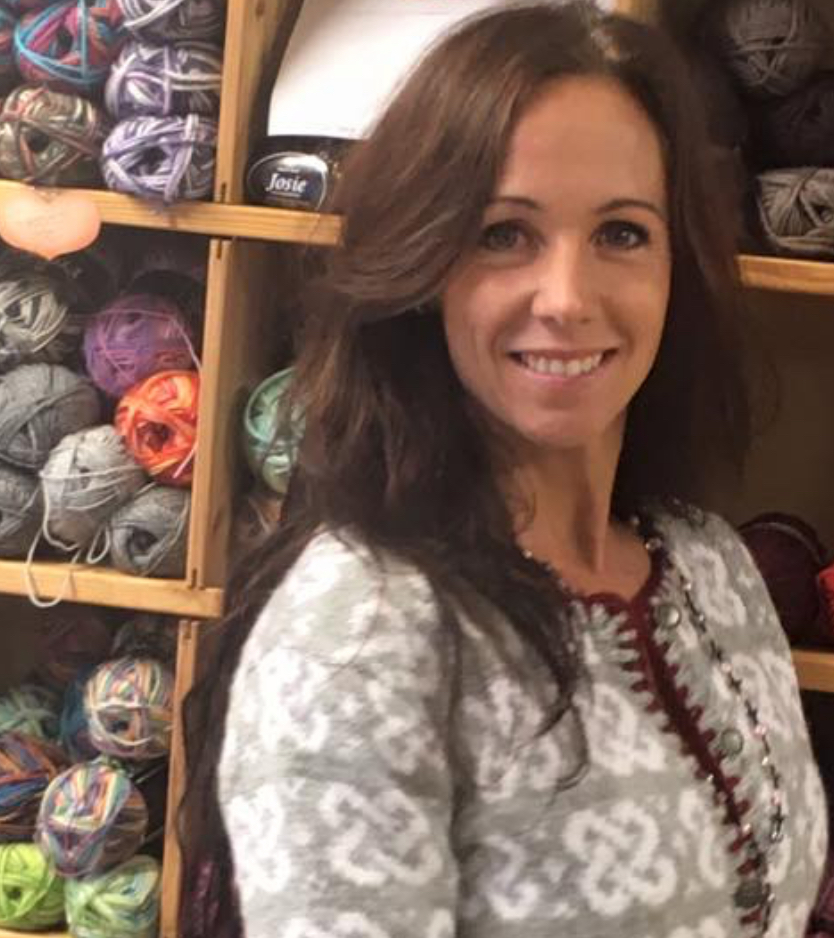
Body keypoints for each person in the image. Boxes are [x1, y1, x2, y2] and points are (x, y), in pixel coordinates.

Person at [179, 3, 828, 937]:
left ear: (675, 268)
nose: (567, 298)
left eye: (622, 233)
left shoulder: (711, 564)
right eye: (504, 234)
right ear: (426, 267)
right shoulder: (363, 632)